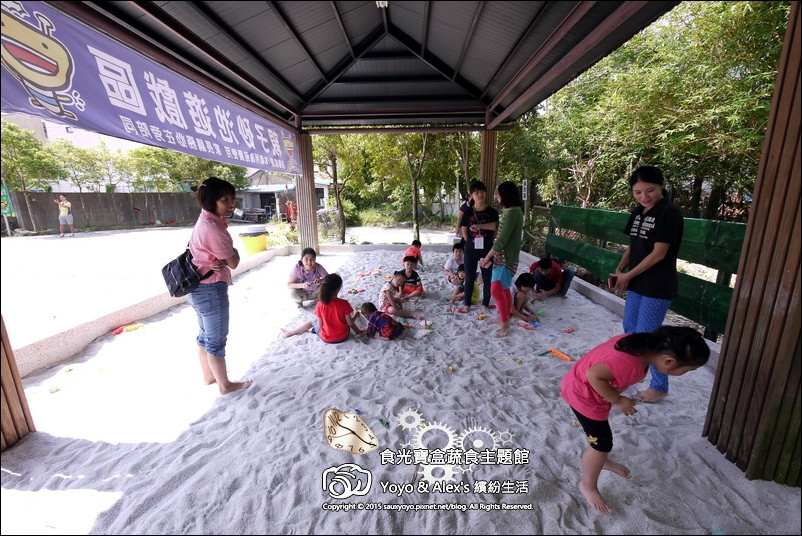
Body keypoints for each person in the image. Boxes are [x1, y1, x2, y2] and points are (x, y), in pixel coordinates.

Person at [560, 326, 709, 515]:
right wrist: (618, 400)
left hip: (588, 391)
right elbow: (593, 375)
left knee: (596, 435)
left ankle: (602, 461)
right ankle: (588, 485)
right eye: (687, 370)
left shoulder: (641, 344)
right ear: (668, 361)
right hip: (583, 396)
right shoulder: (629, 362)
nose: (686, 373)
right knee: (601, 444)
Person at [610, 165, 684, 404]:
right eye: (638, 192)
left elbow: (658, 254)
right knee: (630, 329)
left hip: (658, 285)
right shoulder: (638, 211)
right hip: (637, 281)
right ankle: (631, 373)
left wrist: (628, 275)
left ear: (662, 186)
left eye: (650, 190)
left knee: (647, 336)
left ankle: (659, 386)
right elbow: (633, 245)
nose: (644, 196)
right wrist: (620, 270)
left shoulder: (669, 212)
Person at [187, 177, 252, 395]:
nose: (231, 203)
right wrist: (233, 253)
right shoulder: (213, 228)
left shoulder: (205, 220)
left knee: (204, 336)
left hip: (198, 288)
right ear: (211, 201)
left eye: (232, 198)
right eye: (225, 200)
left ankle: (209, 376)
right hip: (210, 289)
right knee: (215, 341)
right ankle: (225, 385)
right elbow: (233, 262)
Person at [480, 181, 523, 338]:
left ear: (505, 195)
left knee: (496, 289)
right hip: (504, 257)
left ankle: (505, 323)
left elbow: (502, 241)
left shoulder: (513, 213)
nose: (497, 197)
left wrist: (487, 258)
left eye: (498, 194)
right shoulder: (512, 211)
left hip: (506, 259)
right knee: (503, 289)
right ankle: (505, 318)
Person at [280, 273, 365, 342]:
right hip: (343, 336)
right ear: (338, 289)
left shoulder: (320, 304)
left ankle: (290, 333)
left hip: (326, 338)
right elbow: (350, 323)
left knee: (312, 322)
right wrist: (356, 315)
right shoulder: (344, 303)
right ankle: (301, 331)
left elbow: (320, 325)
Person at [459, 180, 499, 313]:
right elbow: (464, 231)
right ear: (471, 195)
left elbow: (495, 230)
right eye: (476, 193)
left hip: (487, 250)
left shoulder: (492, 212)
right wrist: (470, 243)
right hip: (470, 250)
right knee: (469, 277)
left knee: (487, 278)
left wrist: (486, 239)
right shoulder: (468, 212)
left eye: (482, 192)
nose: (480, 195)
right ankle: (467, 303)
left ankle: (485, 303)